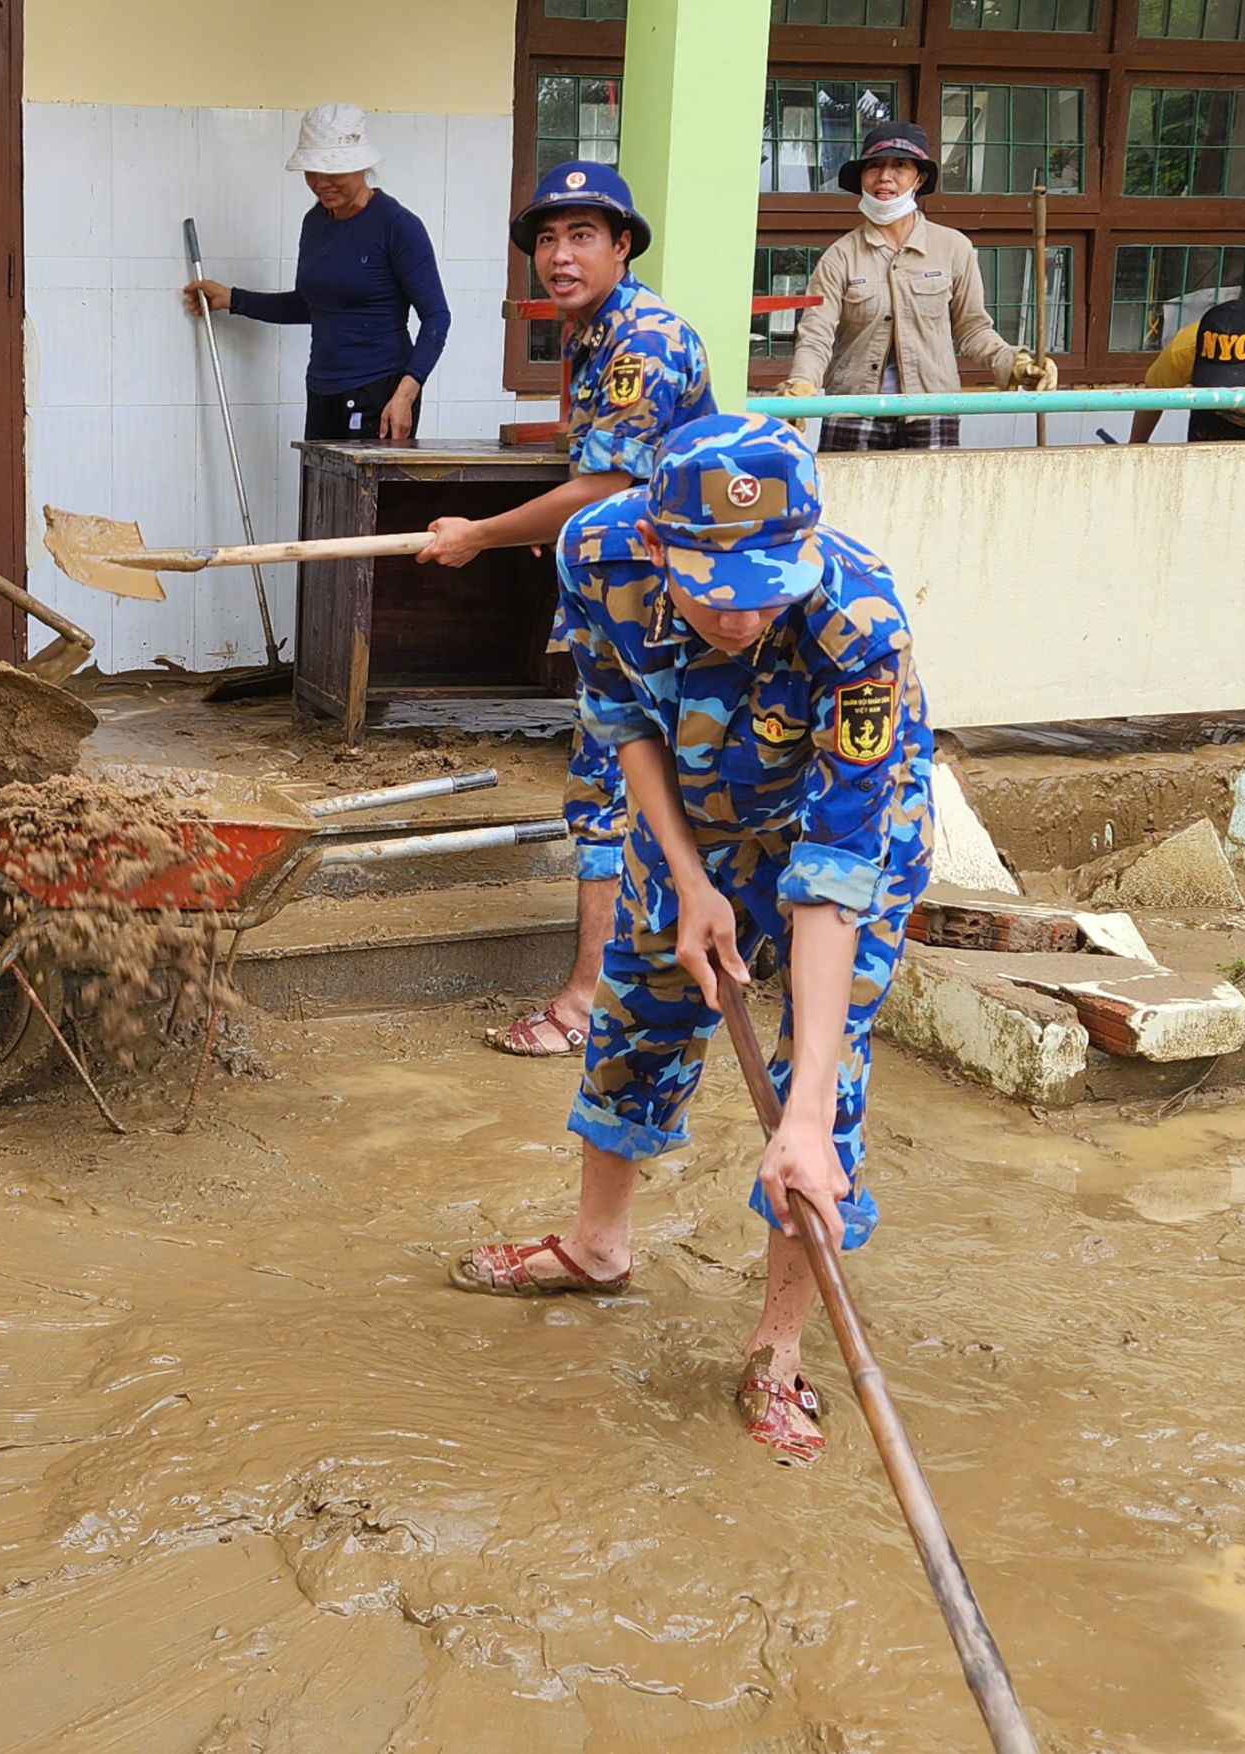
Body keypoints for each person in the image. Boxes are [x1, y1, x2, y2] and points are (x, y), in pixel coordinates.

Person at [447, 413, 934, 1466]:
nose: (743, 613)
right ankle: (597, 1247)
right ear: (656, 542)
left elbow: (834, 874)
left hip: (842, 839)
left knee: (820, 1087)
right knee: (637, 1006)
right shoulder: (598, 554)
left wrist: (801, 1111)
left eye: (767, 587)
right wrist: (689, 878)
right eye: (715, 589)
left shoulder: (859, 624)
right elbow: (623, 720)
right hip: (692, 815)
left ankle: (777, 1347)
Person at [414, 161, 715, 1061]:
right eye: (547, 239)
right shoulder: (591, 332)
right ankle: (665, 973)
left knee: (608, 791)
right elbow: (599, 484)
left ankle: (588, 1002)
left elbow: (609, 485)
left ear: (622, 246)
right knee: (639, 788)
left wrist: (480, 534)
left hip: (660, 607)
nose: (559, 255)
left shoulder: (643, 343)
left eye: (582, 236)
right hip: (620, 594)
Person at [182, 103, 450, 444]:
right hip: (322, 390)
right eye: (312, 171)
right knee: (319, 481)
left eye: (332, 171)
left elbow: (437, 316)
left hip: (380, 393)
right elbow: (312, 304)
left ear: (360, 165)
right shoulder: (315, 223)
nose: (321, 183)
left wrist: (406, 394)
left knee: (366, 483)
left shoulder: (397, 226)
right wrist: (233, 299)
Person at [779, 122, 1052, 450]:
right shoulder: (840, 256)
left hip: (931, 409)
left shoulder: (952, 247)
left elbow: (973, 331)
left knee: (931, 487)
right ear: (862, 178)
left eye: (900, 165)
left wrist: (1015, 362)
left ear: (919, 179)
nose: (885, 177)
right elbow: (816, 335)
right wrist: (802, 385)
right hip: (854, 409)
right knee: (848, 486)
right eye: (874, 166)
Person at [1129, 299, 1245, 444]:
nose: (1224, 388)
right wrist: (1135, 448)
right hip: (1213, 415)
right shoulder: (1183, 349)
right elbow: (1152, 399)